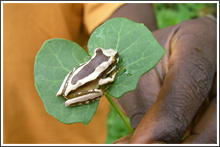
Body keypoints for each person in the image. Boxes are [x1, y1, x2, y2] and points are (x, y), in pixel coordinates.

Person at [3, 3, 216, 144]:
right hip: (79, 94)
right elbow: (106, 79)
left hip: (73, 89)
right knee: (95, 86)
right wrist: (110, 77)